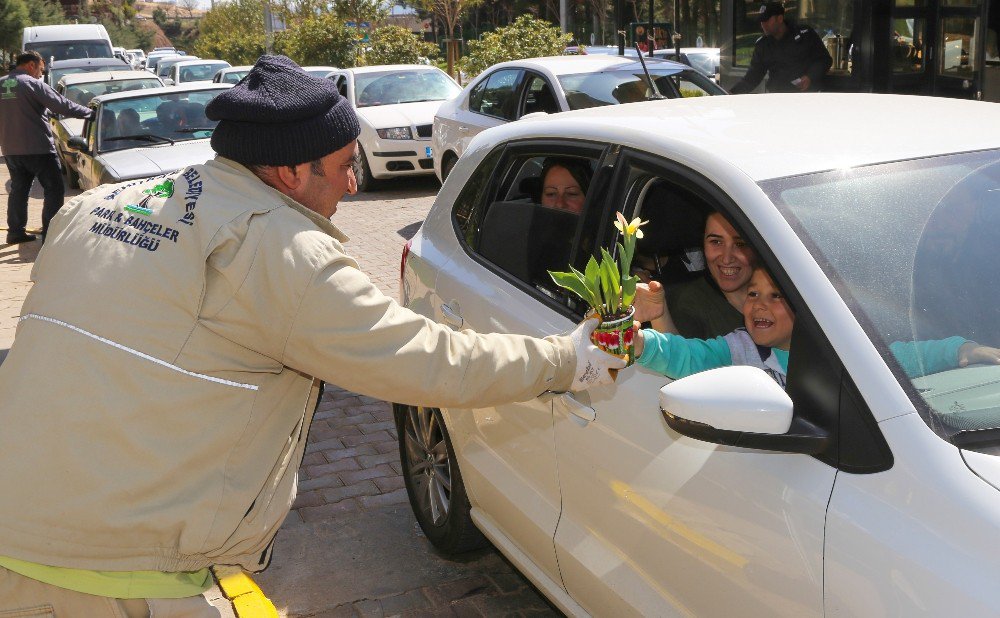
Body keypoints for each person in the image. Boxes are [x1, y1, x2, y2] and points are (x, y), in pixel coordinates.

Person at [0, 55, 625, 616]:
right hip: (130, 573)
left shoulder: (95, 208)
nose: (354, 184)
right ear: (292, 171)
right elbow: (428, 361)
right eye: (343, 166)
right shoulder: (278, 248)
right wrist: (566, 360)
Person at [634, 267, 1000, 388]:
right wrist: (637, 340)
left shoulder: (840, 350)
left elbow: (902, 357)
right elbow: (686, 356)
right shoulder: (738, 349)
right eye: (753, 294)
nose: (759, 304)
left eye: (777, 296)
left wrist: (962, 350)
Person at [0, 51, 93, 244]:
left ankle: (15, 232)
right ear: (31, 65)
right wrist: (89, 113)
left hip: (10, 149)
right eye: (41, 69)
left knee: (19, 190)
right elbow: (61, 105)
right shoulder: (32, 85)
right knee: (54, 189)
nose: (41, 74)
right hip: (39, 148)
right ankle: (50, 234)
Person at [635, 211, 754, 339]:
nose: (726, 258)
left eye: (740, 244)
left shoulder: (776, 288)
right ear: (703, 244)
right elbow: (679, 354)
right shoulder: (688, 305)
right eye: (716, 242)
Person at [729, 1, 833, 94]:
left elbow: (824, 60)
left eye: (766, 20)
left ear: (779, 18)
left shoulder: (805, 34)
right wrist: (731, 94)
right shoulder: (763, 45)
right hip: (777, 99)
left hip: (807, 97)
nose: (763, 24)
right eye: (761, 21)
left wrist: (810, 77)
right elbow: (752, 77)